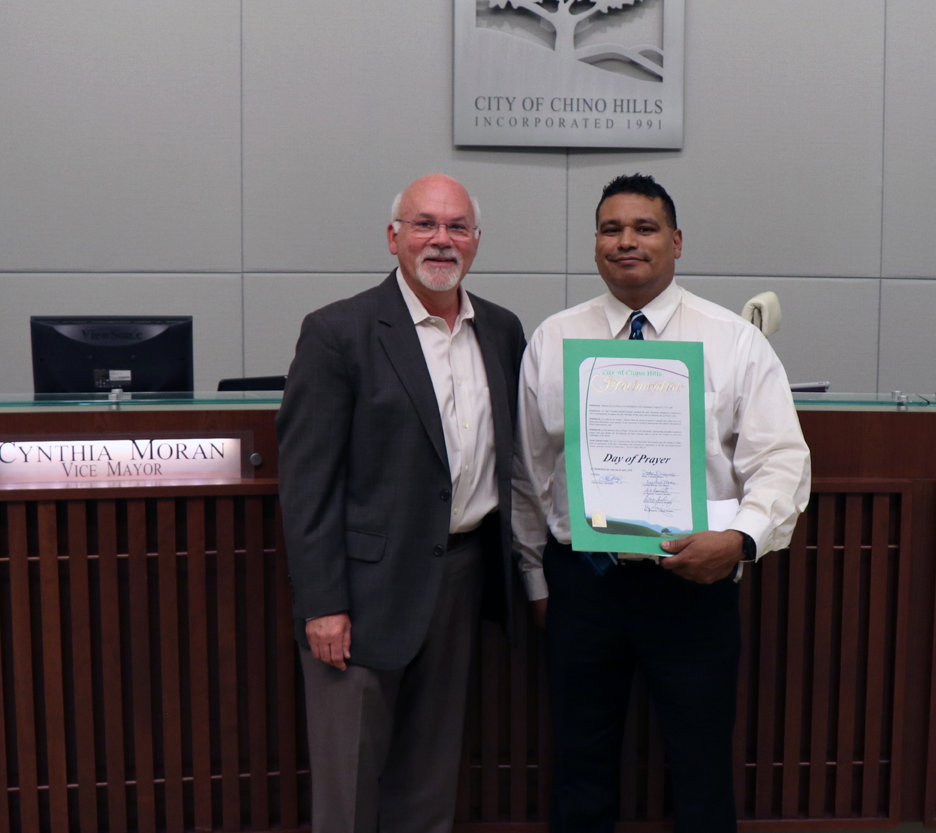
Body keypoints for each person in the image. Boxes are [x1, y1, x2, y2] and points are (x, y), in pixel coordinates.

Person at [513, 173, 811, 832]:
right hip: (583, 585)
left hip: (692, 581)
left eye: (644, 228)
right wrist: (537, 580)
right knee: (579, 766)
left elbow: (781, 461)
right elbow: (529, 473)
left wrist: (737, 541)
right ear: (595, 244)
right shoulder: (553, 339)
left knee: (701, 769)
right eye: (611, 228)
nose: (627, 241)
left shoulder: (734, 341)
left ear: (676, 242)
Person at [276, 174, 526, 833]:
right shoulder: (339, 332)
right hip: (362, 596)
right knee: (349, 789)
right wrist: (324, 603)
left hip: (463, 578)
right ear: (394, 237)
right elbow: (308, 483)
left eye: (457, 226)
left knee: (430, 781)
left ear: (476, 242)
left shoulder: (501, 330)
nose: (441, 239)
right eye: (424, 224)